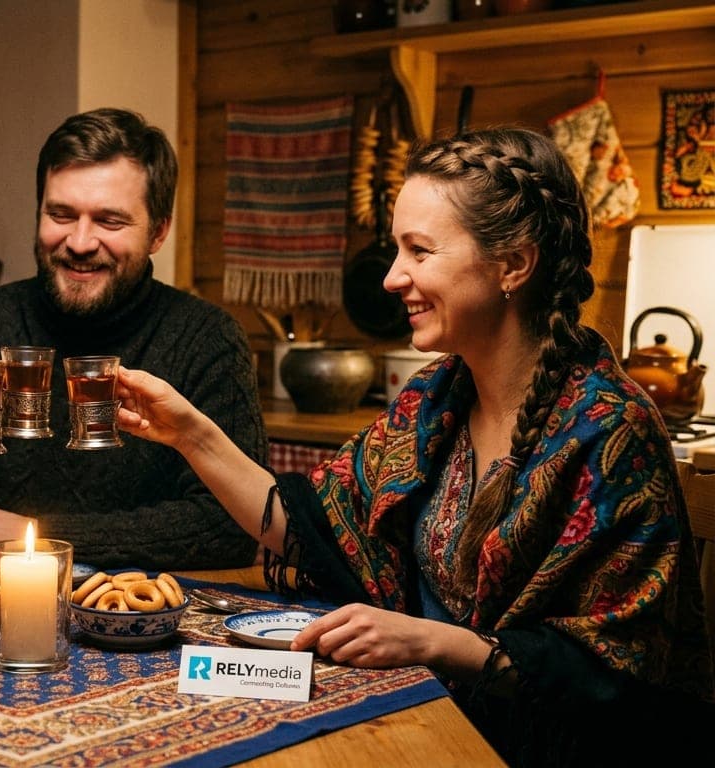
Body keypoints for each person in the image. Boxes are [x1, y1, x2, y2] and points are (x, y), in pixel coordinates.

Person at [114, 127, 714, 765]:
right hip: (420, 718)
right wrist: (190, 432)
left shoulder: (611, 431)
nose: (393, 277)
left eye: (420, 251)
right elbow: (311, 524)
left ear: (513, 263)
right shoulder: (435, 399)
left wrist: (434, 642)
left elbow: (616, 682)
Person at [0, 107, 268, 569]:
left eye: (110, 221)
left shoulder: (206, 338)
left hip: (140, 618)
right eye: (61, 214)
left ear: (158, 232)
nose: (80, 241)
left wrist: (41, 537)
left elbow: (233, 529)